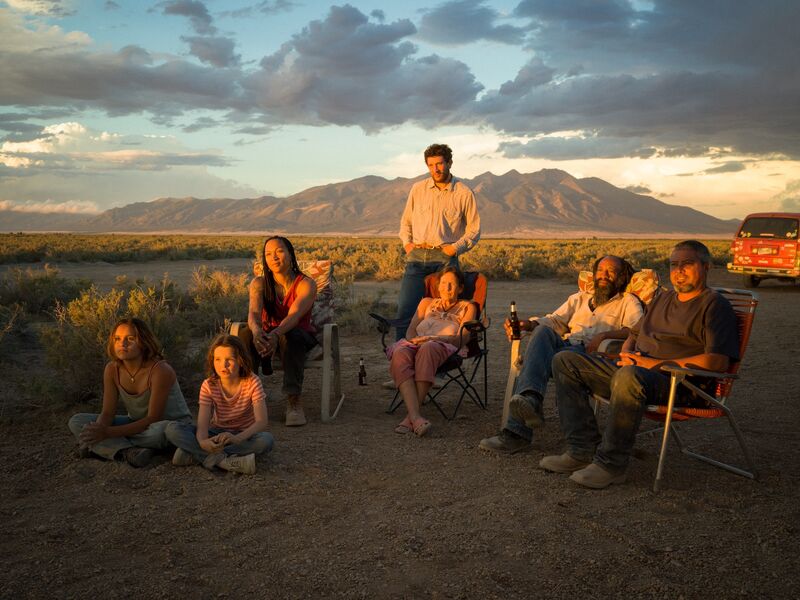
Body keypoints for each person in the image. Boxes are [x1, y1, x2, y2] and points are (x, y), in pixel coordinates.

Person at [541, 241, 740, 489]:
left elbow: (717, 361)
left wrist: (652, 364)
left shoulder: (714, 305)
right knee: (565, 361)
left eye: (687, 264)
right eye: (674, 265)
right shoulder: (663, 299)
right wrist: (627, 352)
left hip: (682, 383)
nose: (679, 270)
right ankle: (580, 450)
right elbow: (634, 333)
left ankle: (611, 465)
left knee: (629, 377)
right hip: (637, 372)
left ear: (706, 266)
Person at [480, 255, 643, 454]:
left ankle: (516, 433)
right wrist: (529, 324)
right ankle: (530, 399)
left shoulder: (628, 301)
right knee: (542, 331)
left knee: (542, 362)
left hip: (589, 356)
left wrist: (605, 335)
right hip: (566, 345)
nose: (604, 275)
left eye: (611, 271)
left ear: (621, 277)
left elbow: (637, 329)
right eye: (600, 270)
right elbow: (555, 320)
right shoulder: (579, 299)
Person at [68, 317, 191, 468]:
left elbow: (153, 418)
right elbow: (107, 413)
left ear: (143, 342)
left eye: (130, 339)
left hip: (165, 426)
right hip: (136, 425)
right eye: (117, 339)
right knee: (77, 421)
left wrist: (107, 433)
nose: (122, 344)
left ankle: (109, 448)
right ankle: (129, 452)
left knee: (163, 432)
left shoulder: (160, 370)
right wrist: (98, 431)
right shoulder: (112, 370)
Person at [394, 143, 480, 342]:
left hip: (445, 259)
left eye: (440, 164)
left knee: (446, 311)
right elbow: (405, 222)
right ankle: (402, 352)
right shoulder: (418, 189)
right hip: (417, 256)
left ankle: (442, 353)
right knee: (406, 310)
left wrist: (454, 248)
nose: (436, 169)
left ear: (449, 163)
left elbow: (474, 229)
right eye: (431, 165)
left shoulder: (463, 192)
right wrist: (408, 245)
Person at [387, 266, 478, 437]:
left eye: (452, 284)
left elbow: (463, 338)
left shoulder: (468, 307)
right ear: (438, 286)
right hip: (417, 343)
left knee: (428, 348)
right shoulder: (426, 303)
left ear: (460, 288)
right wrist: (415, 340)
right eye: (443, 283)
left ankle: (410, 417)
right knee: (400, 352)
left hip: (445, 346)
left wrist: (435, 339)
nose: (447, 288)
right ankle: (415, 417)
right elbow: (411, 330)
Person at [165, 334, 273, 475]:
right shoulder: (209, 385)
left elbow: (261, 421)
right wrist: (203, 441)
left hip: (243, 435)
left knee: (266, 440)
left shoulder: (252, 382)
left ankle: (196, 455)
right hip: (216, 433)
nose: (223, 365)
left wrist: (237, 438)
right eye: (218, 359)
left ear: (240, 360)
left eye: (229, 359)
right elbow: (203, 425)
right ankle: (225, 461)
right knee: (172, 429)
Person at [247, 235, 317, 427]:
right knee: (244, 334)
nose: (274, 257)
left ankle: (294, 402)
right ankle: (246, 401)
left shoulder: (306, 284)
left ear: (290, 254)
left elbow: (294, 317)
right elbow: (253, 312)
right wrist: (256, 332)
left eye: (279, 251)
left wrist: (276, 334)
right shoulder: (259, 284)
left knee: (291, 335)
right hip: (267, 336)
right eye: (268, 254)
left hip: (298, 336)